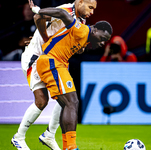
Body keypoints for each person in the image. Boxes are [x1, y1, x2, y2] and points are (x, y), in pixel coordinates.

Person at [11, 0, 97, 150]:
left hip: (57, 61)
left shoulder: (81, 20)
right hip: (37, 57)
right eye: (90, 7)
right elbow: (38, 18)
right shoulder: (65, 10)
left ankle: (49, 134)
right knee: (41, 101)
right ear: (80, 2)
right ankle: (19, 137)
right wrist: (45, 40)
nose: (92, 12)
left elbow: (76, 46)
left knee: (66, 97)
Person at [30, 2, 112, 150]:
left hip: (56, 63)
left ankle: (66, 145)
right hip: (52, 62)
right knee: (72, 102)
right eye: (102, 38)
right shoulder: (83, 30)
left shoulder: (84, 37)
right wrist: (38, 10)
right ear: (96, 29)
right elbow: (63, 14)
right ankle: (71, 146)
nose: (102, 43)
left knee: (68, 103)